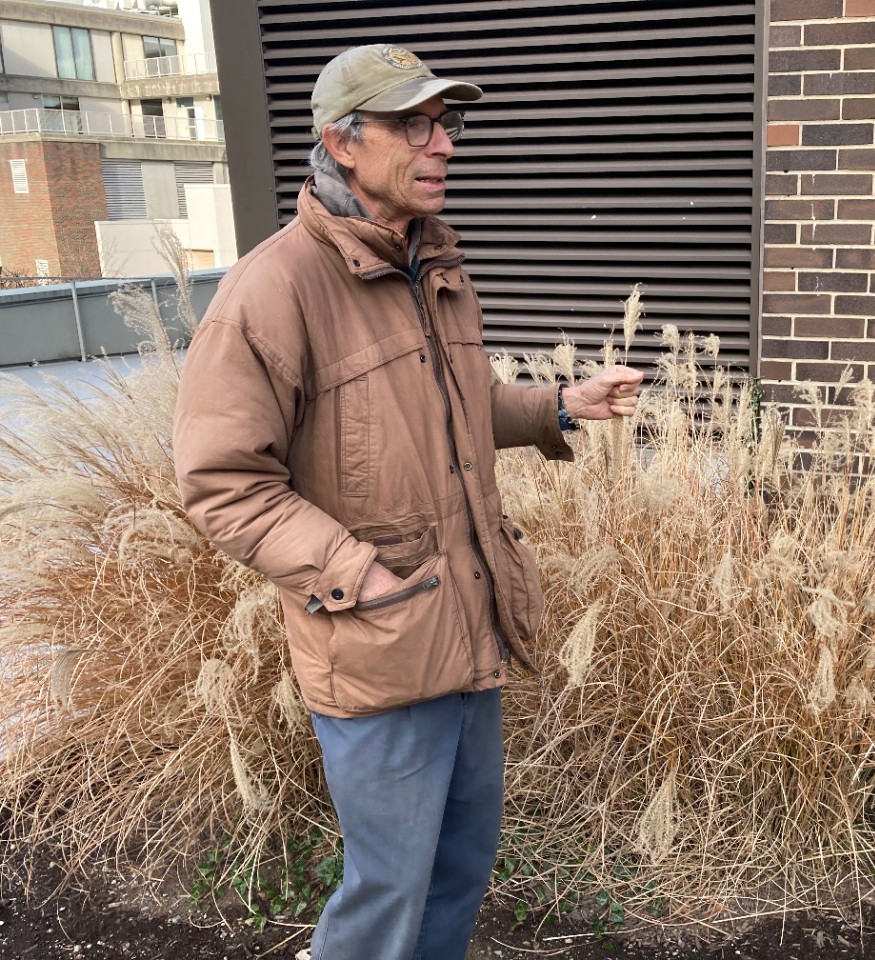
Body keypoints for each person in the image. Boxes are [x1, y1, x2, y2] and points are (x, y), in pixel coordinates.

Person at [172, 44, 643, 960]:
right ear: (342, 143)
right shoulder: (275, 288)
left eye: (446, 123)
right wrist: (362, 578)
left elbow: (444, 419)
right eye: (413, 124)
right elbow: (222, 482)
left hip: (470, 623)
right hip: (380, 641)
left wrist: (553, 405)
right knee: (391, 886)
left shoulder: (434, 264)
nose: (443, 144)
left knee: (461, 865)